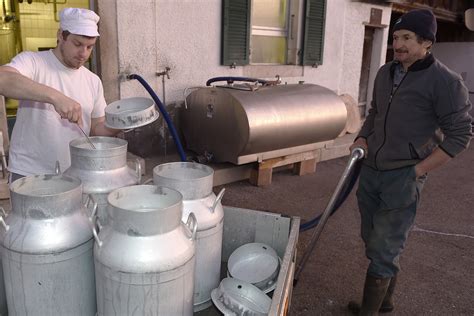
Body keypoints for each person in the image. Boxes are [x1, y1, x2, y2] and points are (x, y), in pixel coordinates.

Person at [348, 9, 472, 315]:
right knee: (372, 239)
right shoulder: (385, 72)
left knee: (384, 247)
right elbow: (375, 113)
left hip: (403, 176)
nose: (397, 44)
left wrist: (417, 171)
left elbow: (459, 136)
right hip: (371, 171)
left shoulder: (445, 81)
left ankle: (370, 310)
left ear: (426, 42)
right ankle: (386, 301)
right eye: (395, 37)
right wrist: (362, 138)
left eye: (406, 38)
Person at [0, 8, 117, 182]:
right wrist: (55, 97)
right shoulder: (33, 62)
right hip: (30, 174)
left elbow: (96, 127)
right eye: (77, 44)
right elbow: (3, 78)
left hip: (75, 172)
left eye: (89, 47)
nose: (83, 53)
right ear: (61, 35)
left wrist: (122, 123)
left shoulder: (93, 80)